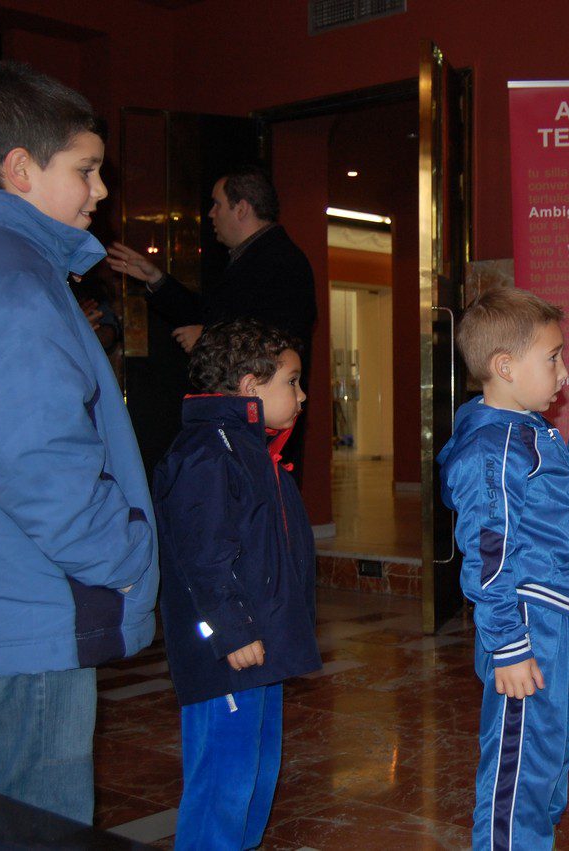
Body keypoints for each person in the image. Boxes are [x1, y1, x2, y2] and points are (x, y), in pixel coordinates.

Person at [0, 61, 158, 824]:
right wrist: (120, 552)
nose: (101, 190)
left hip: (11, 595)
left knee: (10, 810)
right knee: (35, 821)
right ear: (20, 170)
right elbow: (39, 461)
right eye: (86, 170)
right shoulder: (13, 280)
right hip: (36, 605)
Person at [437, 287, 569, 850]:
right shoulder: (491, 451)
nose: (565, 371)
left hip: (554, 614)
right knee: (520, 757)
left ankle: (535, 838)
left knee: (551, 746)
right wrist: (508, 646)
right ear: (505, 367)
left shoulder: (527, 429)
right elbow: (489, 561)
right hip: (524, 617)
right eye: (554, 357)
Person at [151, 318, 321, 850]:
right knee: (222, 782)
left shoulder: (252, 450)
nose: (302, 394)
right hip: (229, 653)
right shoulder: (208, 453)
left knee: (255, 774)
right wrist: (231, 629)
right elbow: (204, 555)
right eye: (291, 381)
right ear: (250, 386)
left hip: (259, 648)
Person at [106, 166, 317, 473]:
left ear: (241, 208)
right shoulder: (249, 257)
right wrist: (157, 279)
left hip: (259, 426)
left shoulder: (282, 261)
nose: (210, 214)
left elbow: (278, 343)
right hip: (243, 421)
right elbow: (209, 314)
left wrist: (206, 339)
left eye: (217, 204)